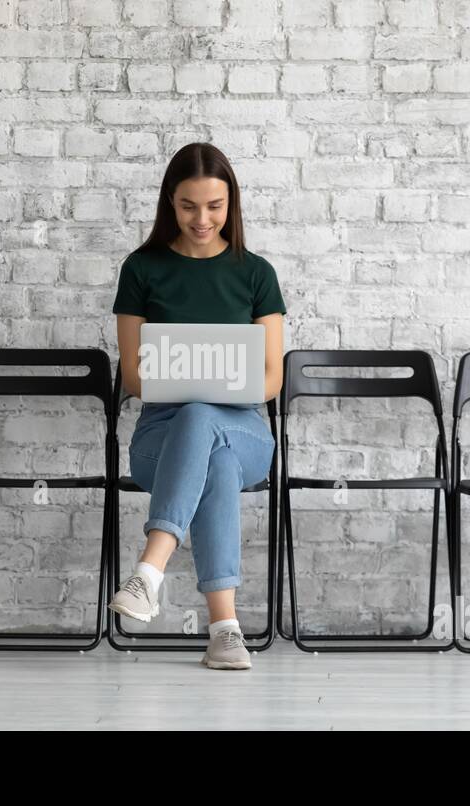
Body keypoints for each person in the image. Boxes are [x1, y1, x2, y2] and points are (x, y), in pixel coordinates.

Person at [108, 142, 286, 671]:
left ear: (231, 203)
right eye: (189, 206)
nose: (202, 218)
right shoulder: (141, 269)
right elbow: (135, 377)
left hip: (245, 431)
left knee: (207, 420)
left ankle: (149, 572)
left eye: (215, 206)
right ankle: (225, 630)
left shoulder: (256, 273)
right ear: (170, 202)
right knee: (212, 452)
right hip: (159, 444)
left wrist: (206, 389)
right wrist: (202, 391)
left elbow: (272, 378)